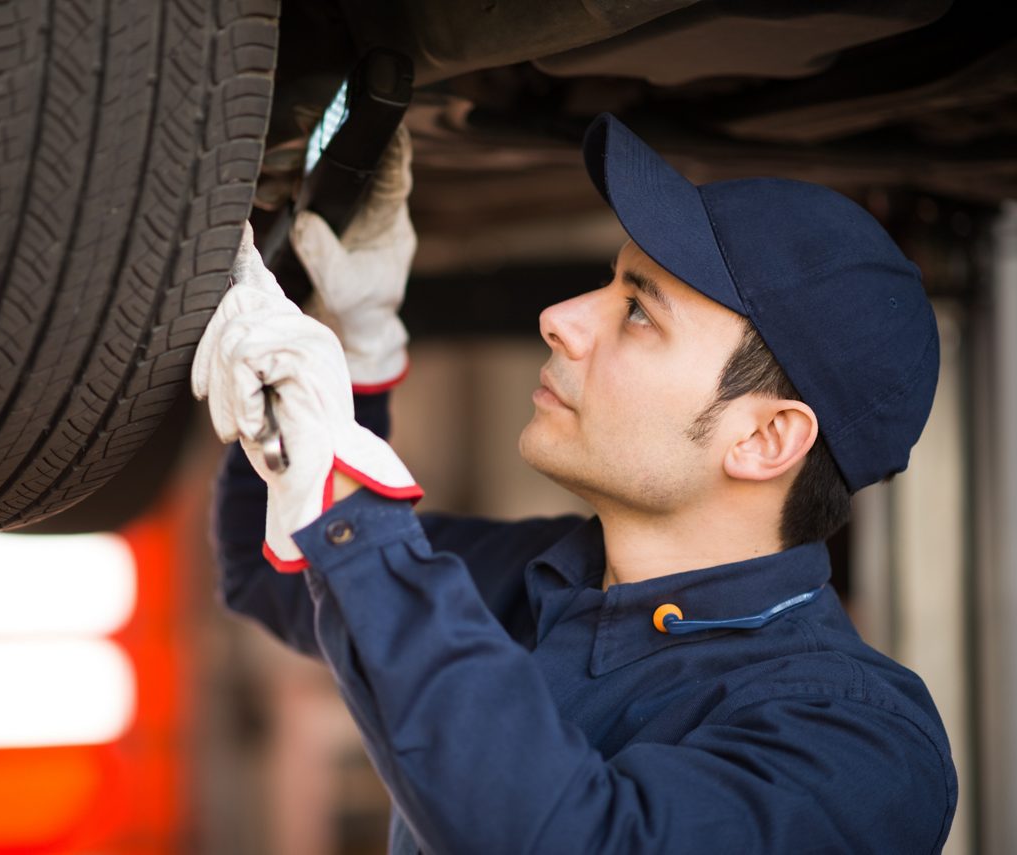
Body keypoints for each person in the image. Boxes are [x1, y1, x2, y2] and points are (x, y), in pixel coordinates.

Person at [192, 114, 958, 854]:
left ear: (764, 439)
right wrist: (354, 351)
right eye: (610, 281)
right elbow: (274, 567)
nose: (559, 317)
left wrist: (344, 498)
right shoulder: (556, 581)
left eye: (637, 313)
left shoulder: (862, 745)